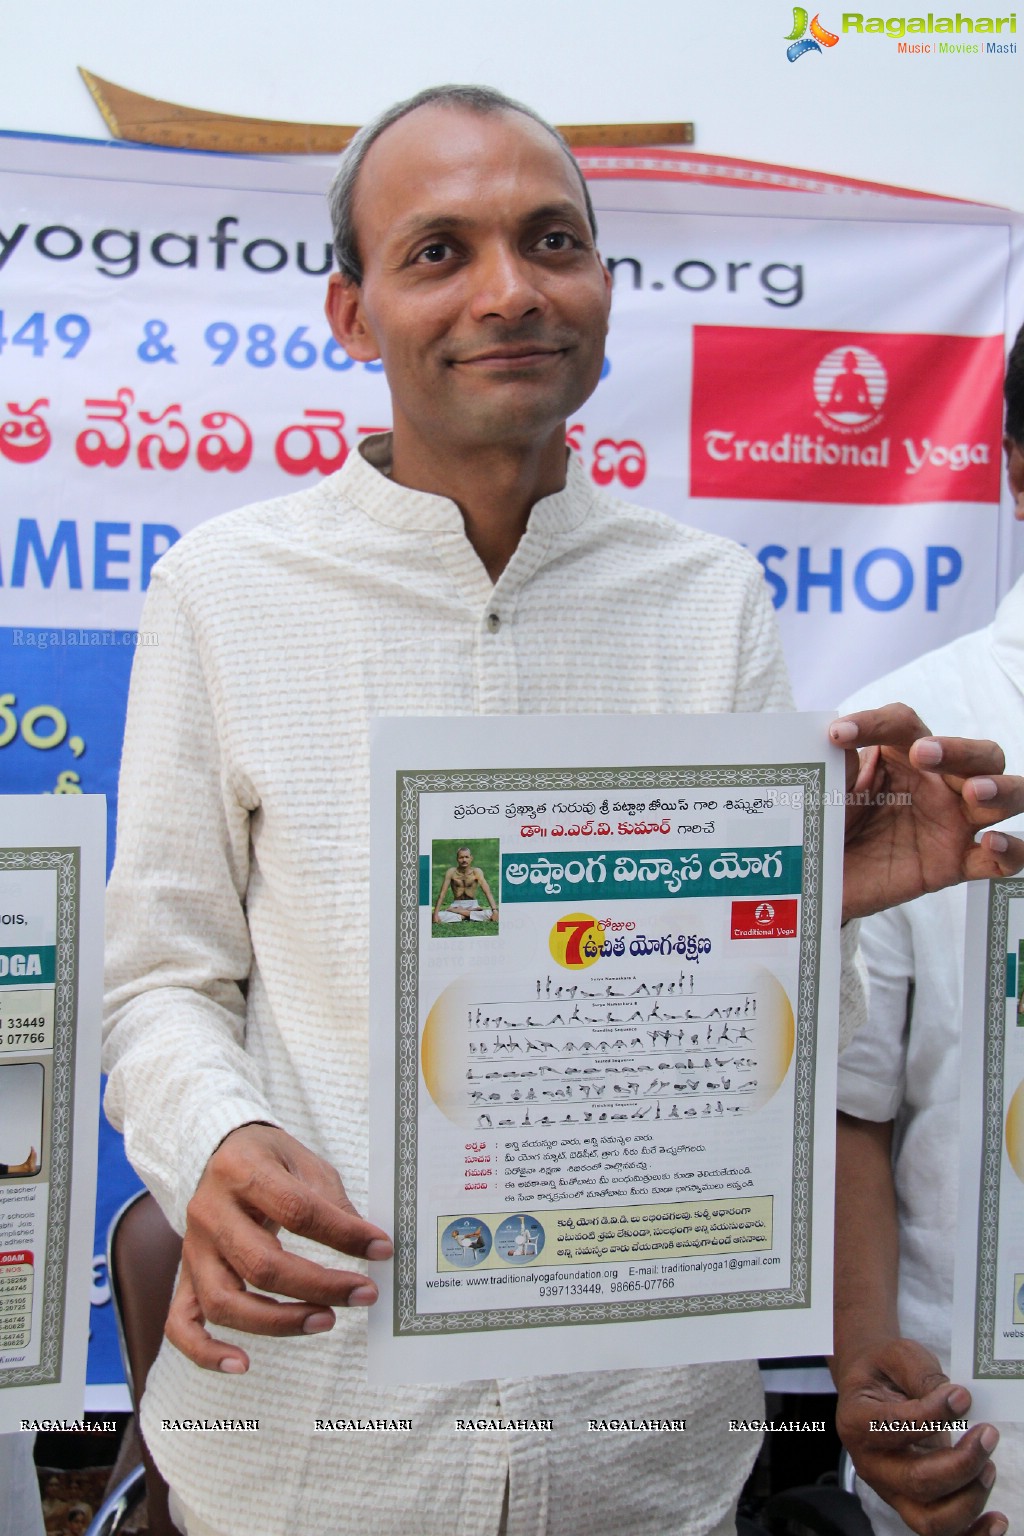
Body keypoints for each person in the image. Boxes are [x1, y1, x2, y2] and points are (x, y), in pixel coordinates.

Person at [103, 84, 1024, 1536]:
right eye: (438, 252)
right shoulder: (226, 593)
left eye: (553, 240)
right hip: (316, 1453)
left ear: (606, 284)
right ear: (351, 315)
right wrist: (213, 1139)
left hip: (640, 1461)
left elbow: (737, 1048)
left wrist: (797, 912)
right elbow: (160, 982)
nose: (511, 291)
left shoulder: (706, 597)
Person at [831, 322, 1024, 1536]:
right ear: (1014, 467)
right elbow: (856, 1104)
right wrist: (870, 1372)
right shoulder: (918, 737)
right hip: (986, 1436)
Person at [433, 845, 499, 923]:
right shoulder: (451, 872)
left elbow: (487, 892)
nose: (464, 860)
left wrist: (494, 910)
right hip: (457, 904)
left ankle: (458, 913)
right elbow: (442, 894)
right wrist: (435, 914)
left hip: (472, 905)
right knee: (434, 916)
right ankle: (470, 915)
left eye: (466, 857)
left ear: (471, 858)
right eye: (461, 857)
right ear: (457, 859)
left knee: (494, 914)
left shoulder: (476, 872)